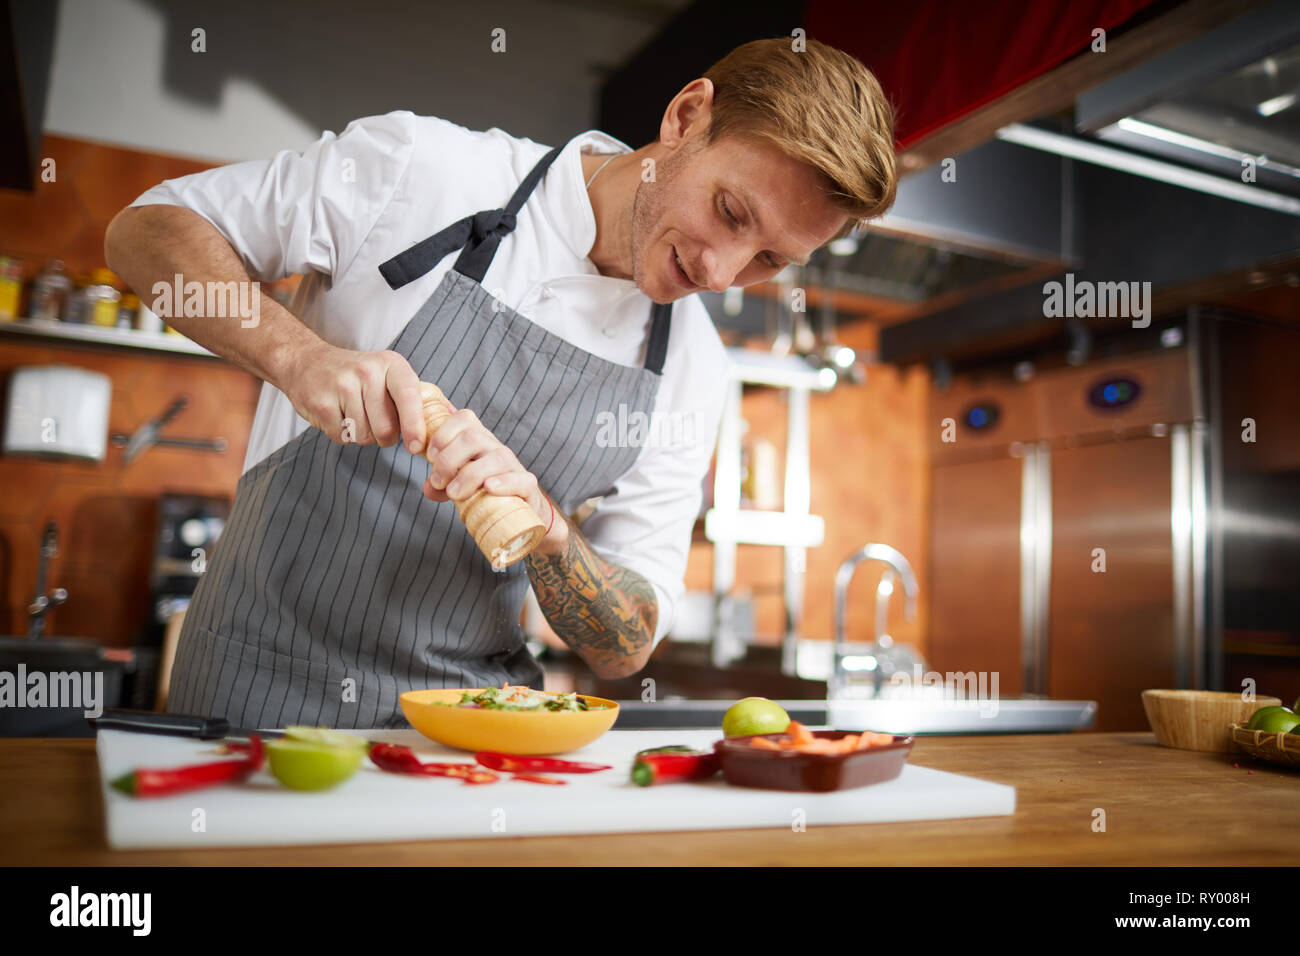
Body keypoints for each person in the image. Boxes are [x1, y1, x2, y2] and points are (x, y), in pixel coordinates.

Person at [104, 36, 897, 729]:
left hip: (474, 731)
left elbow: (627, 644)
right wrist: (298, 357)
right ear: (687, 116)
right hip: (251, 692)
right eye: (729, 211)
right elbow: (146, 232)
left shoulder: (691, 369)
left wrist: (550, 529)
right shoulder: (424, 171)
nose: (722, 273)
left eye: (769, 261)